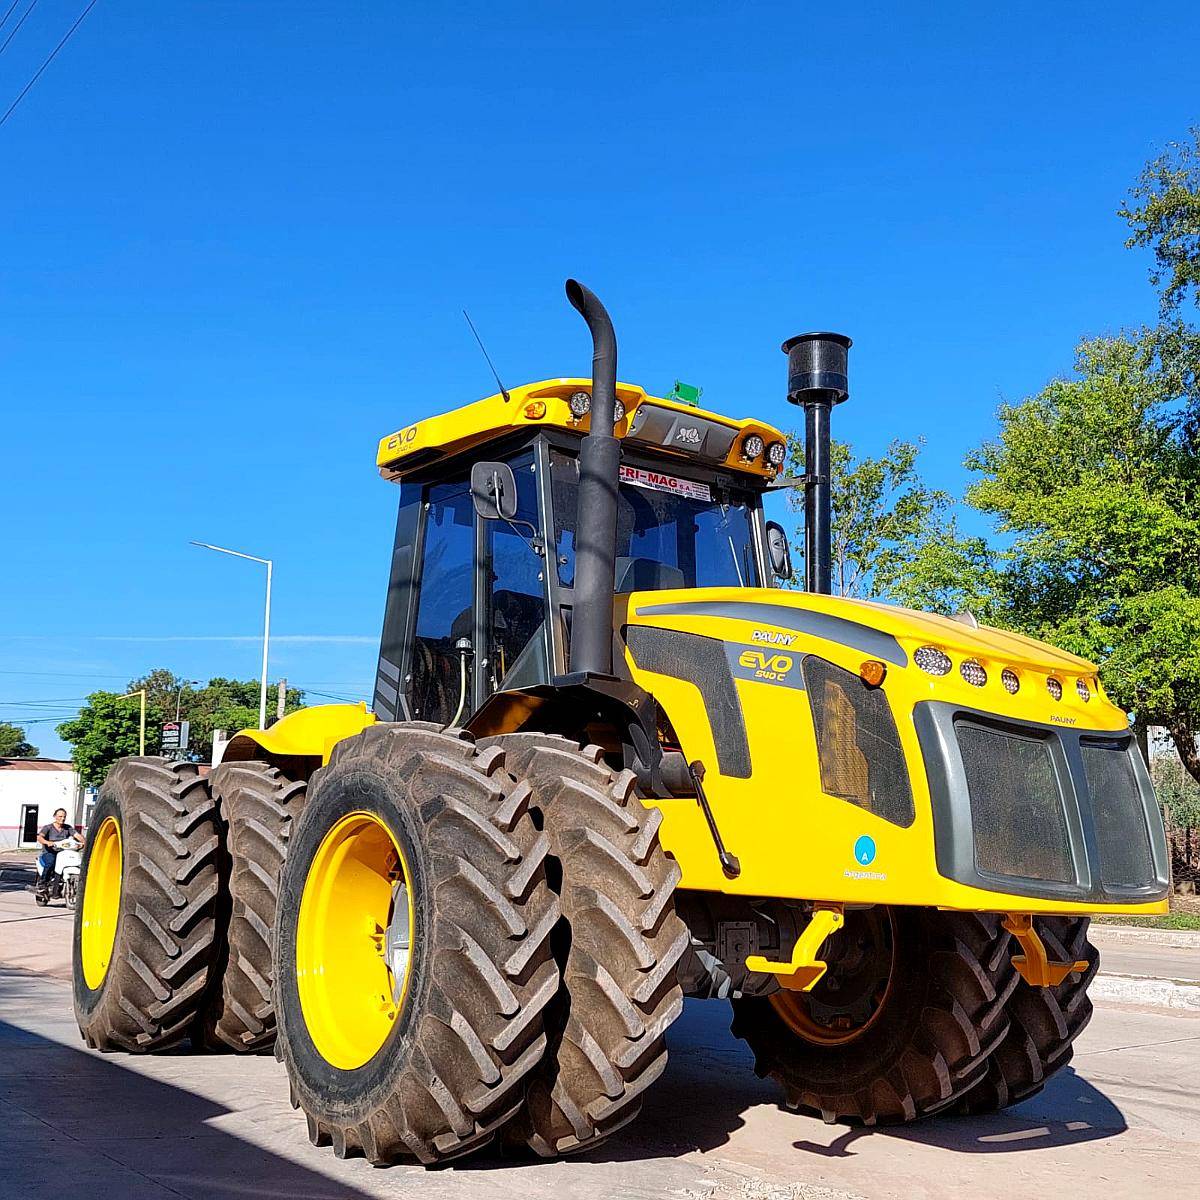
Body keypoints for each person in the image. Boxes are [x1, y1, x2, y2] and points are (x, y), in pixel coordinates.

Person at [35, 808, 83, 899]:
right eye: (60, 816)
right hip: (49, 852)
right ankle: (42, 884)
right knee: (51, 863)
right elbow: (40, 837)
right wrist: (47, 842)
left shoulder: (67, 828)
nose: (62, 818)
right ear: (55, 817)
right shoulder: (48, 828)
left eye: (64, 817)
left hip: (64, 853)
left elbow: (77, 836)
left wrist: (84, 842)